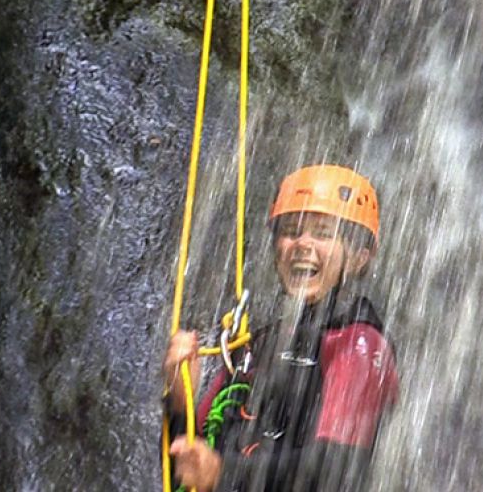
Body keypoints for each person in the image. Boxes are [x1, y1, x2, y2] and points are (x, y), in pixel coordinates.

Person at [164, 164, 399, 492]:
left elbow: (337, 466)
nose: (302, 243)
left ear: (359, 257)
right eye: (291, 230)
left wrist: (222, 473)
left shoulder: (360, 344)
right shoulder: (259, 346)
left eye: (323, 232)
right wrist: (180, 402)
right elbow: (185, 467)